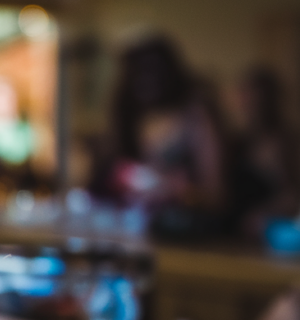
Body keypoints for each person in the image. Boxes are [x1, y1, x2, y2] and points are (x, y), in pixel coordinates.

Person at [91, 36, 229, 239]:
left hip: (195, 236)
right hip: (146, 233)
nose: (143, 82)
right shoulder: (140, 119)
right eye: (136, 74)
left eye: (150, 72)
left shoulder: (197, 116)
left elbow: (217, 196)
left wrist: (178, 190)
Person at [227, 65, 300, 238]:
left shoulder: (286, 143)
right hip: (235, 232)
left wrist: (262, 214)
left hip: (272, 233)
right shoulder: (237, 142)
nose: (253, 107)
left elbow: (293, 196)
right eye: (248, 100)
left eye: (259, 101)